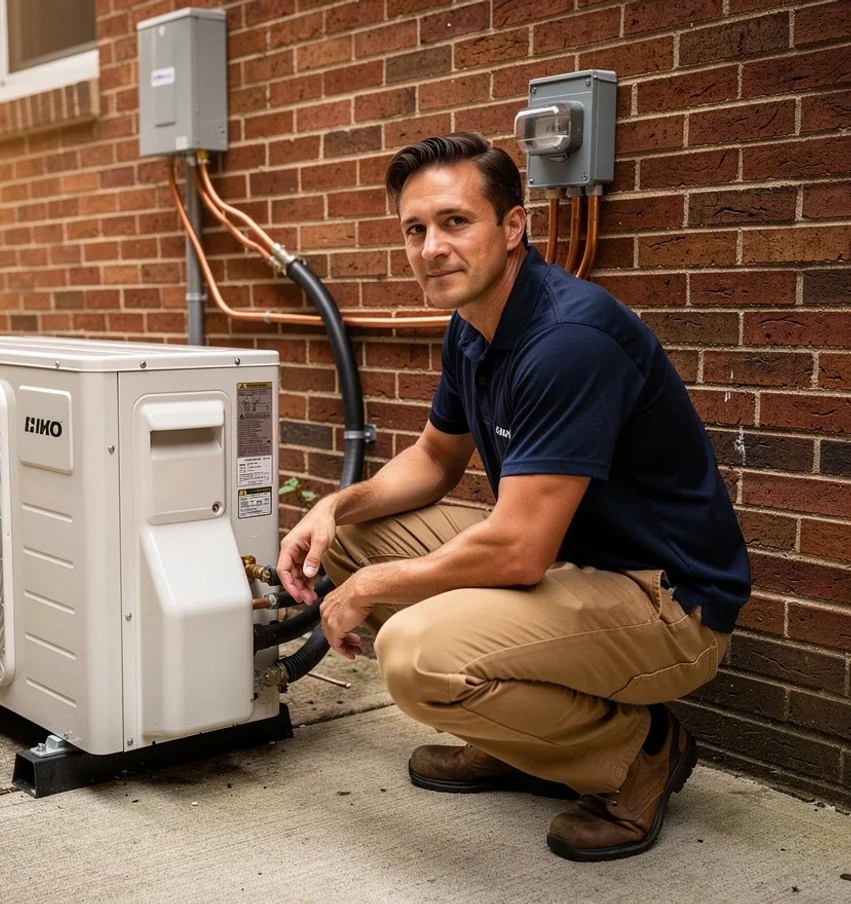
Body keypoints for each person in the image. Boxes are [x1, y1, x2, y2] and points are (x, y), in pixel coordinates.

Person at [276, 131, 751, 862]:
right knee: (350, 534)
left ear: (513, 226)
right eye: (415, 228)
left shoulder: (566, 339)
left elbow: (520, 549)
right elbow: (435, 459)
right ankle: (525, 742)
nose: (432, 246)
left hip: (666, 600)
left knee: (414, 654)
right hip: (573, 563)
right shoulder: (473, 327)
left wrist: (372, 586)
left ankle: (639, 755)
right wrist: (332, 508)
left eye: (455, 222)